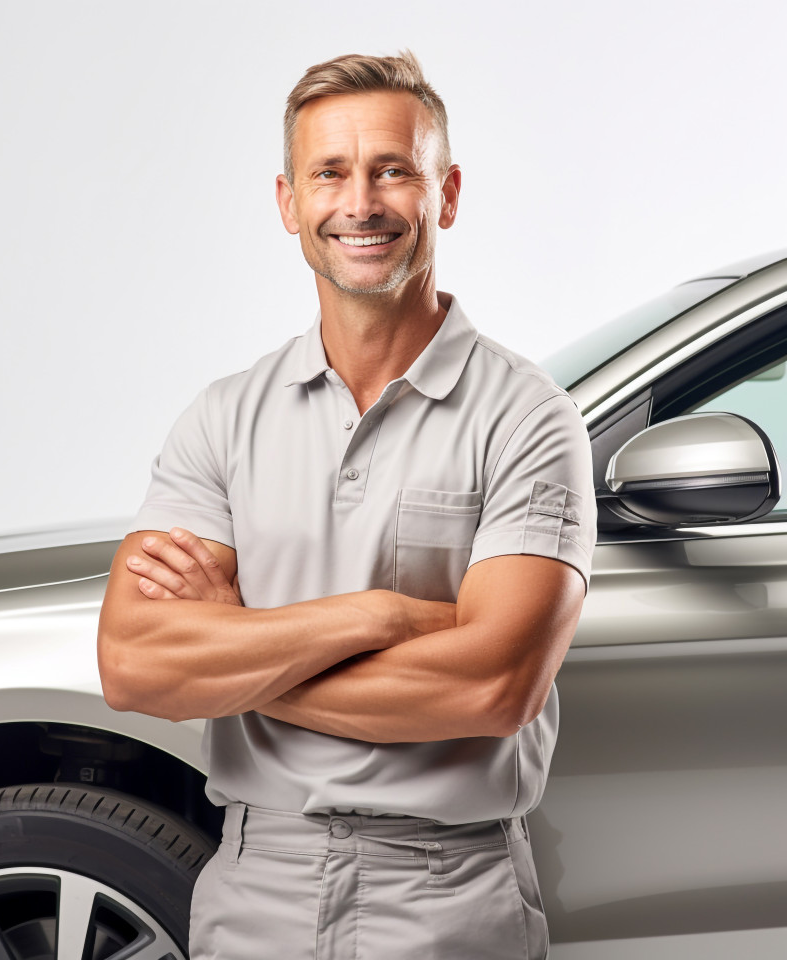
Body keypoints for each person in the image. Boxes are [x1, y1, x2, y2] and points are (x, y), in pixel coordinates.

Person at [98, 50, 596, 960]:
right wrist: (380, 616)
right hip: (258, 879)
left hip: (448, 891)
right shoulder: (224, 417)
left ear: (445, 195)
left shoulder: (529, 417)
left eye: (392, 171)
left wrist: (237, 650)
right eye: (330, 172)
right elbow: (136, 664)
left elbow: (491, 685)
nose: (359, 203)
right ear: (289, 203)